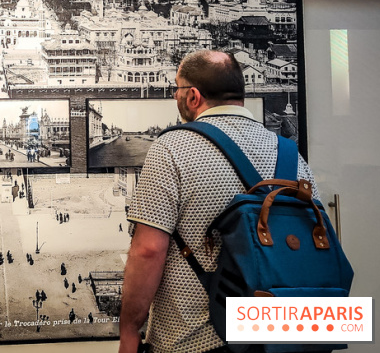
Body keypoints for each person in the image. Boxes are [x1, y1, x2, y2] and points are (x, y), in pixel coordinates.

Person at [119, 50, 320, 353]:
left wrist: (130, 330)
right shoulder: (291, 155)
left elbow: (148, 250)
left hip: (194, 339)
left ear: (193, 96)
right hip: (280, 336)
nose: (175, 95)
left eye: (178, 88)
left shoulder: (171, 148)